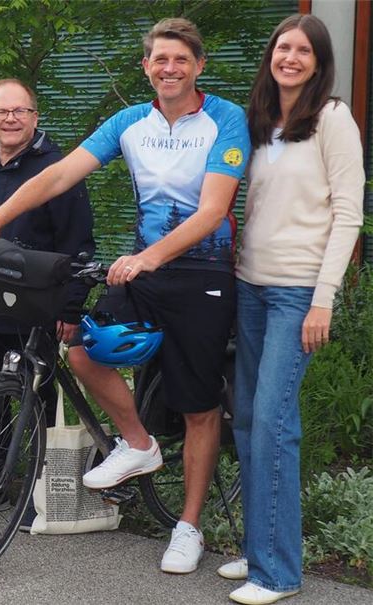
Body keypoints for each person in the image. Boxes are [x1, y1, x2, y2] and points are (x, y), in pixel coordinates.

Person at [0, 18, 251, 574]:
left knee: (197, 406)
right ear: (146, 67)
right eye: (160, 59)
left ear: (199, 66)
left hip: (203, 274)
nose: (170, 68)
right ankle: (138, 443)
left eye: (181, 59)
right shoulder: (129, 122)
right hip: (145, 270)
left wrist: (149, 257)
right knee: (83, 350)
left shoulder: (226, 118)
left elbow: (214, 210)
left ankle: (188, 527)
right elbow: (59, 176)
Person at [220, 15, 365, 605]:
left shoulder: (333, 119)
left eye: (304, 50)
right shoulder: (259, 122)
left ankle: (277, 573)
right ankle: (261, 548)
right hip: (250, 286)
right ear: (271, 55)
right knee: (247, 421)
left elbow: (349, 212)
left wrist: (324, 298)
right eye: (283, 47)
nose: (291, 57)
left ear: (319, 62)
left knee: (272, 425)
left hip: (298, 292)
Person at [0, 78, 95, 530]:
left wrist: (70, 310)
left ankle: (38, 492)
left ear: (34, 117)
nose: (10, 119)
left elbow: (78, 245)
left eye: (19, 111)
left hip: (35, 311)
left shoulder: (58, 171)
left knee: (39, 404)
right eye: (0, 112)